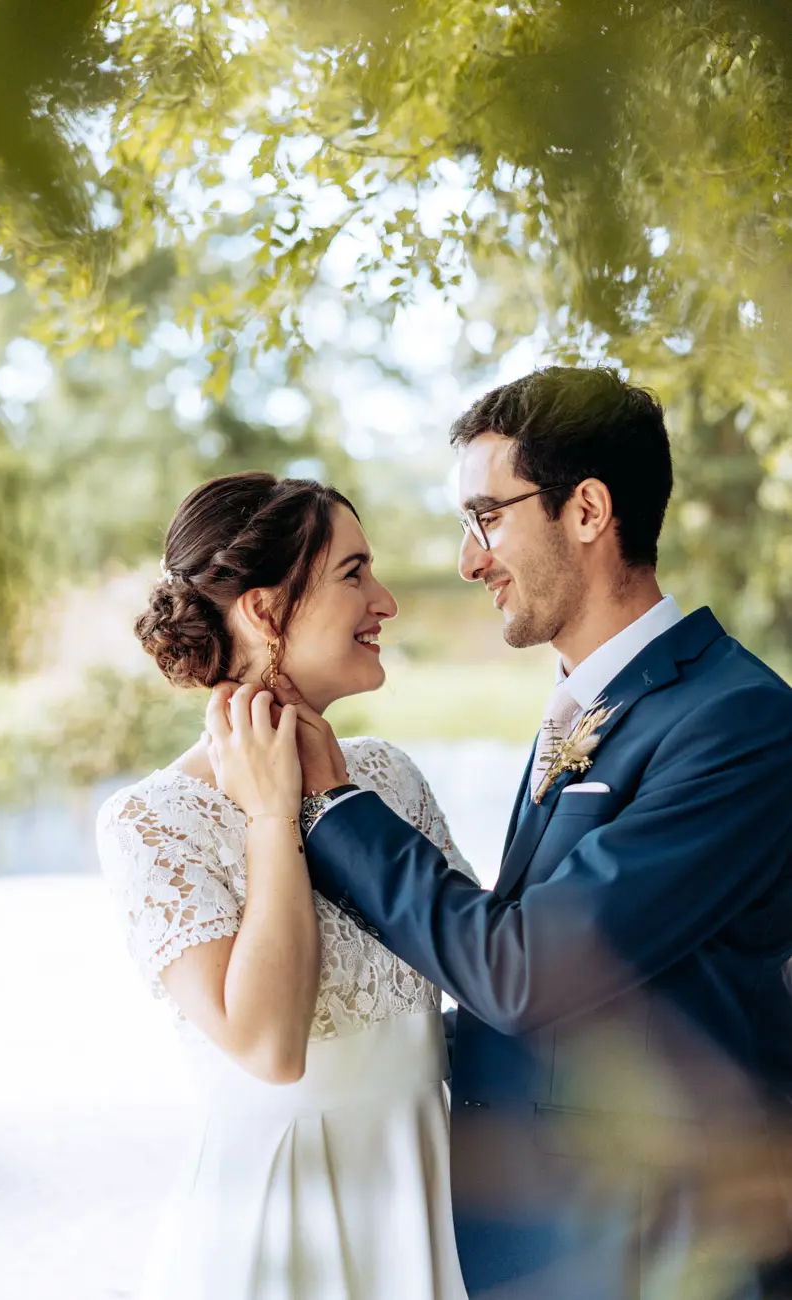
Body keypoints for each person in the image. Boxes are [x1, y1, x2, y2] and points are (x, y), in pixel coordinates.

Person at [209, 368, 792, 1300]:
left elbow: (525, 969)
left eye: (486, 516)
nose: (468, 558)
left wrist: (331, 806)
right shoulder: (591, 703)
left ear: (588, 511)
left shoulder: (736, 721)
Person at [96, 471, 473, 1300]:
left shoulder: (386, 779)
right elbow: (268, 1047)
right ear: (265, 611)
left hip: (433, 1207)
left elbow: (485, 971)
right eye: (352, 572)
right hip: (281, 1235)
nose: (385, 601)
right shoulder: (153, 823)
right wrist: (272, 820)